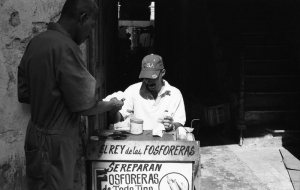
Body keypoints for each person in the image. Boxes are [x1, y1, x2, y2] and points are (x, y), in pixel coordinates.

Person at [17, 0, 123, 189]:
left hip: (34, 135)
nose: (90, 34)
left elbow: (25, 94)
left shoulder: (36, 42)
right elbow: (86, 106)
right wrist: (111, 104)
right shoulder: (67, 49)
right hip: (57, 142)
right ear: (82, 18)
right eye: (91, 27)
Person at [110, 54, 186, 131]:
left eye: (152, 77)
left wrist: (171, 125)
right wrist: (114, 111)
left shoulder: (175, 94)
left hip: (165, 140)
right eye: (146, 77)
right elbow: (118, 118)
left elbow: (179, 123)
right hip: (138, 140)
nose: (148, 81)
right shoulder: (133, 90)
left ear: (162, 72)